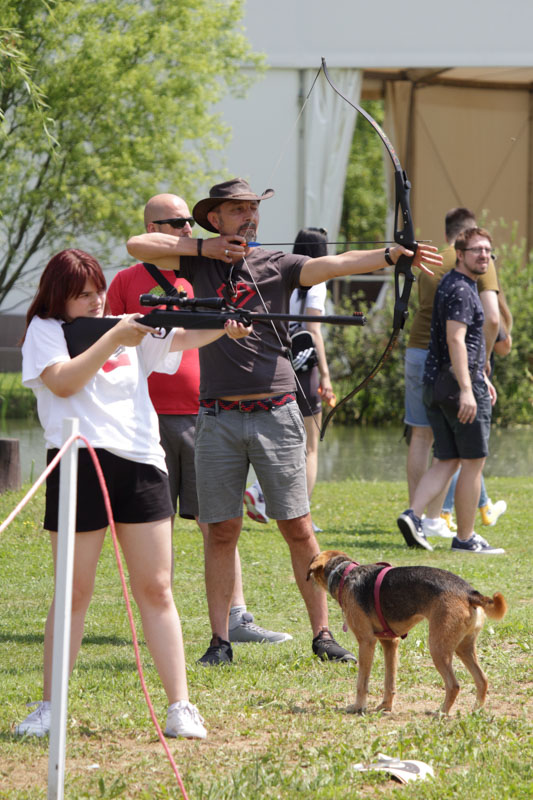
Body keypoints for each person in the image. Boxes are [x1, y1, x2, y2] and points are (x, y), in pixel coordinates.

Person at [126, 177, 442, 666]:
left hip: (275, 412)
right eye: (238, 210)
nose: (250, 218)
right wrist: (205, 247)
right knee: (221, 529)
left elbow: (332, 264)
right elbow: (138, 244)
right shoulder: (196, 260)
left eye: (254, 210)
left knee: (298, 527)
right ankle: (219, 641)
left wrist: (390, 255)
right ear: (215, 218)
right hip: (216, 416)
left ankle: (322, 634)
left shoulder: (275, 264)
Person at [15, 248, 250, 739]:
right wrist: (116, 338)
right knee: (72, 592)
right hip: (77, 461)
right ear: (60, 297)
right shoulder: (46, 331)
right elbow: (62, 382)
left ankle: (181, 706)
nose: (96, 301)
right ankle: (49, 707)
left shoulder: (127, 325)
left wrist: (225, 324)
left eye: (98, 290)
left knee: (157, 588)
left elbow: (180, 337)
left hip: (141, 462)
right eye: (82, 295)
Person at [107, 193, 291, 646]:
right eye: (175, 223)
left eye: (191, 222)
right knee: (155, 519)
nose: (189, 229)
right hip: (145, 418)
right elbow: (109, 342)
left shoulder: (205, 272)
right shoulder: (129, 278)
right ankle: (158, 609)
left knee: (219, 521)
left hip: (203, 412)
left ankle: (237, 617)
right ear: (154, 226)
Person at [397, 227, 505, 555]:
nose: (483, 255)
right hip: (456, 388)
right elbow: (456, 339)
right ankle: (465, 537)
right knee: (473, 461)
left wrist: (477, 376)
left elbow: (459, 345)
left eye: (488, 250)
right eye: (476, 250)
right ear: (460, 254)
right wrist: (468, 389)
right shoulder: (461, 289)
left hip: (440, 384)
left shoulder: (451, 284)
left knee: (448, 458)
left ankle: (413, 515)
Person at [244, 227, 335, 532]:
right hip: (304, 363)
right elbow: (314, 330)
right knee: (309, 445)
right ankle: (295, 509)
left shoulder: (283, 275)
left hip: (277, 361)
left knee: (282, 435)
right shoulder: (316, 282)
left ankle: (259, 489)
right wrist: (326, 375)